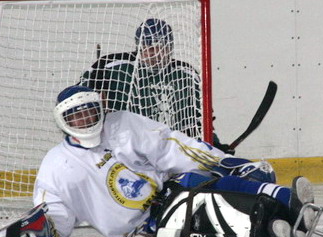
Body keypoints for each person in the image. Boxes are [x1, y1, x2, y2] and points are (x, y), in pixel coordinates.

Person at [0, 85, 323, 237]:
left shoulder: (121, 124)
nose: (85, 119)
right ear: (63, 122)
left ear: (99, 109)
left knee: (207, 181)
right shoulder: (56, 166)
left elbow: (170, 147)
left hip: (170, 186)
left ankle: (286, 202)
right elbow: (56, 218)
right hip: (149, 223)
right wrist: (39, 232)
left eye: (89, 111)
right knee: (213, 213)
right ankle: (274, 227)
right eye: (76, 115)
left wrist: (223, 161)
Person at [79, 18, 234, 153]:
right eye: (149, 47)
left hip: (171, 150)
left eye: (162, 47)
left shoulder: (186, 74)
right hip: (121, 147)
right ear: (139, 47)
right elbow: (76, 101)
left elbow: (199, 120)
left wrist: (214, 144)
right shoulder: (109, 66)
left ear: (170, 47)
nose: (155, 53)